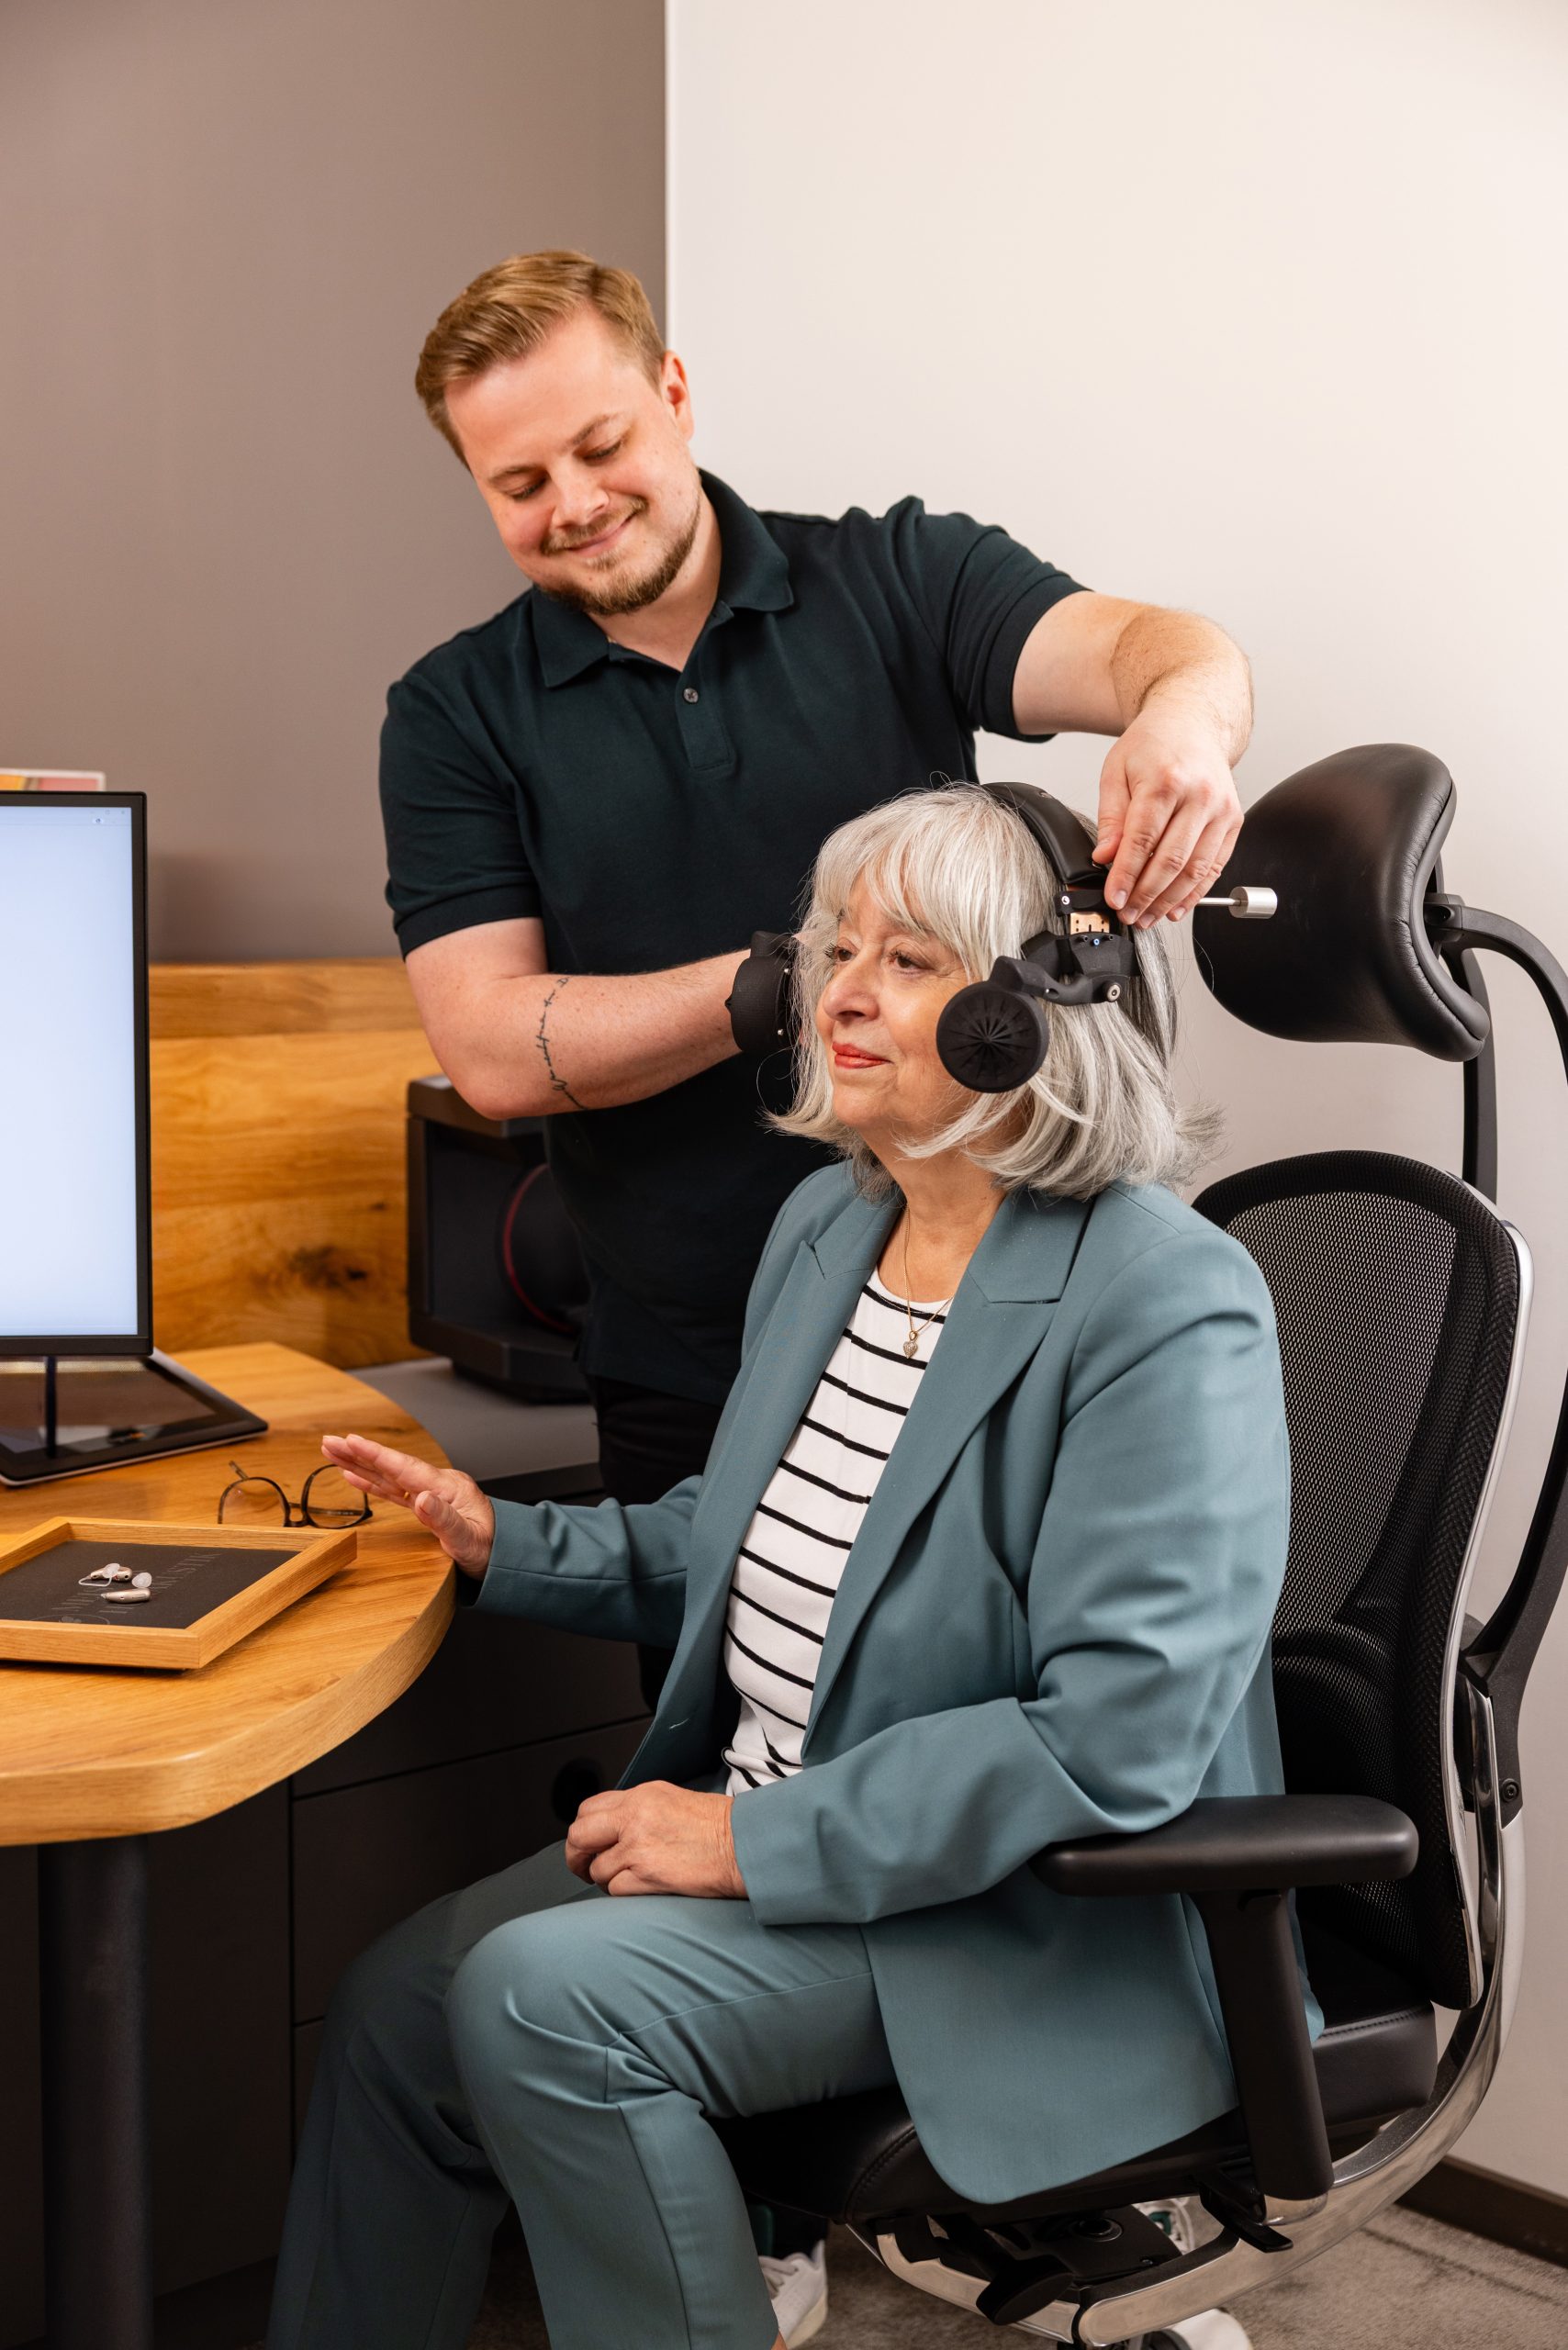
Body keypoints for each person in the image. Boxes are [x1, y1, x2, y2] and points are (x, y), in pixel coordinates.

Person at [385, 252, 1252, 2308]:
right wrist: (774, 990)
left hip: (970, 1275)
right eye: (517, 483)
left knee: (591, 1971)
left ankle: (933, 2182)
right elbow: (494, 1051)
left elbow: (1152, 642)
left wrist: (1184, 724)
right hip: (720, 1314)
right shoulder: (464, 712)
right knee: (632, 1829)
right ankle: (738, 2218)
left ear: (673, 394)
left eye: (600, 443)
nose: (571, 499)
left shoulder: (893, 580)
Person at [265, 784, 1307, 2350]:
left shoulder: (1166, 1299)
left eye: (909, 955)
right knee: (396, 2007)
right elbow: (738, 1542)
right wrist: (499, 1538)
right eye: (838, 948)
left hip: (1003, 1915)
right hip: (797, 1843)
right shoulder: (832, 1229)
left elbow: (1120, 1735)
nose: (845, 991)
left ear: (1035, 1013)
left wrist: (755, 1842)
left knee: (545, 2005)